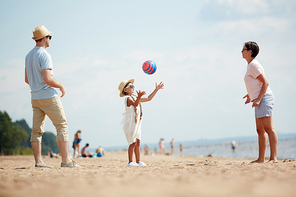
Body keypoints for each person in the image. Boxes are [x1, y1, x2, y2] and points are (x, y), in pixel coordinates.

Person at [25, 25, 82, 168]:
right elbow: (47, 79)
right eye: (49, 37)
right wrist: (61, 85)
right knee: (62, 126)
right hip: (48, 96)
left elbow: (27, 79)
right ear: (44, 38)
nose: (50, 39)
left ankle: (39, 162)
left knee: (36, 131)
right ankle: (66, 161)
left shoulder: (28, 55)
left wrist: (36, 87)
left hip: (35, 97)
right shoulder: (45, 55)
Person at [242, 41, 278, 163]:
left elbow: (265, 83)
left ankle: (273, 158)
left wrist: (258, 99)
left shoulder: (253, 65)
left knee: (269, 129)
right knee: (260, 130)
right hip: (259, 99)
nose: (242, 51)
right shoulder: (250, 65)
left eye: (243, 49)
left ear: (250, 51)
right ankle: (261, 158)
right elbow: (256, 83)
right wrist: (250, 95)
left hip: (264, 98)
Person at [118, 79, 164, 167]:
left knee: (138, 141)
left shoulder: (135, 97)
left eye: (133, 86)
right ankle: (130, 162)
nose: (133, 88)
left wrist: (156, 89)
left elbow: (148, 98)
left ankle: (138, 161)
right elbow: (135, 104)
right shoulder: (128, 98)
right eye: (131, 86)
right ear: (125, 90)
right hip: (131, 123)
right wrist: (139, 96)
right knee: (132, 142)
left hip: (137, 123)